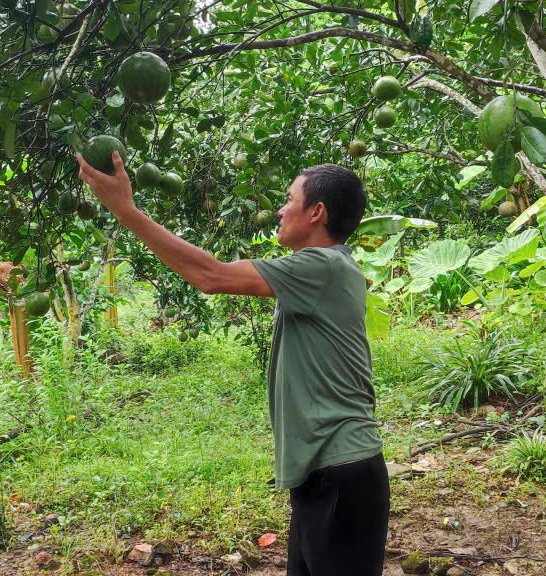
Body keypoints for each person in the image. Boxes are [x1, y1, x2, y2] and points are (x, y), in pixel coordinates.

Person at [76, 151, 389, 576]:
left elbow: (211, 276)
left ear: (317, 212)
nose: (280, 208)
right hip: (325, 471)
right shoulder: (321, 269)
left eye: (289, 198)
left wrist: (125, 210)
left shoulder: (325, 266)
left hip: (343, 473)